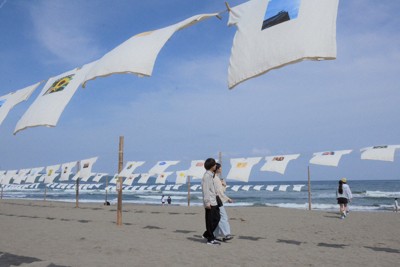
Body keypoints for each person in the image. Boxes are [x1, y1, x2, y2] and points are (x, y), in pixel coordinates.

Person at [201, 158, 221, 245]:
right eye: (215, 164)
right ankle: (210, 239)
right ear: (212, 166)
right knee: (210, 220)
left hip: (214, 201)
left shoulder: (211, 175)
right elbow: (205, 190)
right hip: (210, 202)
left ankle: (207, 234)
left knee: (217, 218)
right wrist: (207, 202)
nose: (216, 166)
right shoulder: (206, 176)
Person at [213, 163, 233, 242]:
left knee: (217, 218)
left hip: (216, 200)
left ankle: (215, 235)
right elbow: (219, 192)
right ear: (216, 169)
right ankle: (226, 235)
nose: (221, 169)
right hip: (217, 200)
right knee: (223, 217)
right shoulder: (215, 178)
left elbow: (221, 191)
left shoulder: (216, 178)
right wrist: (228, 199)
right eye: (220, 168)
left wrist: (224, 185)